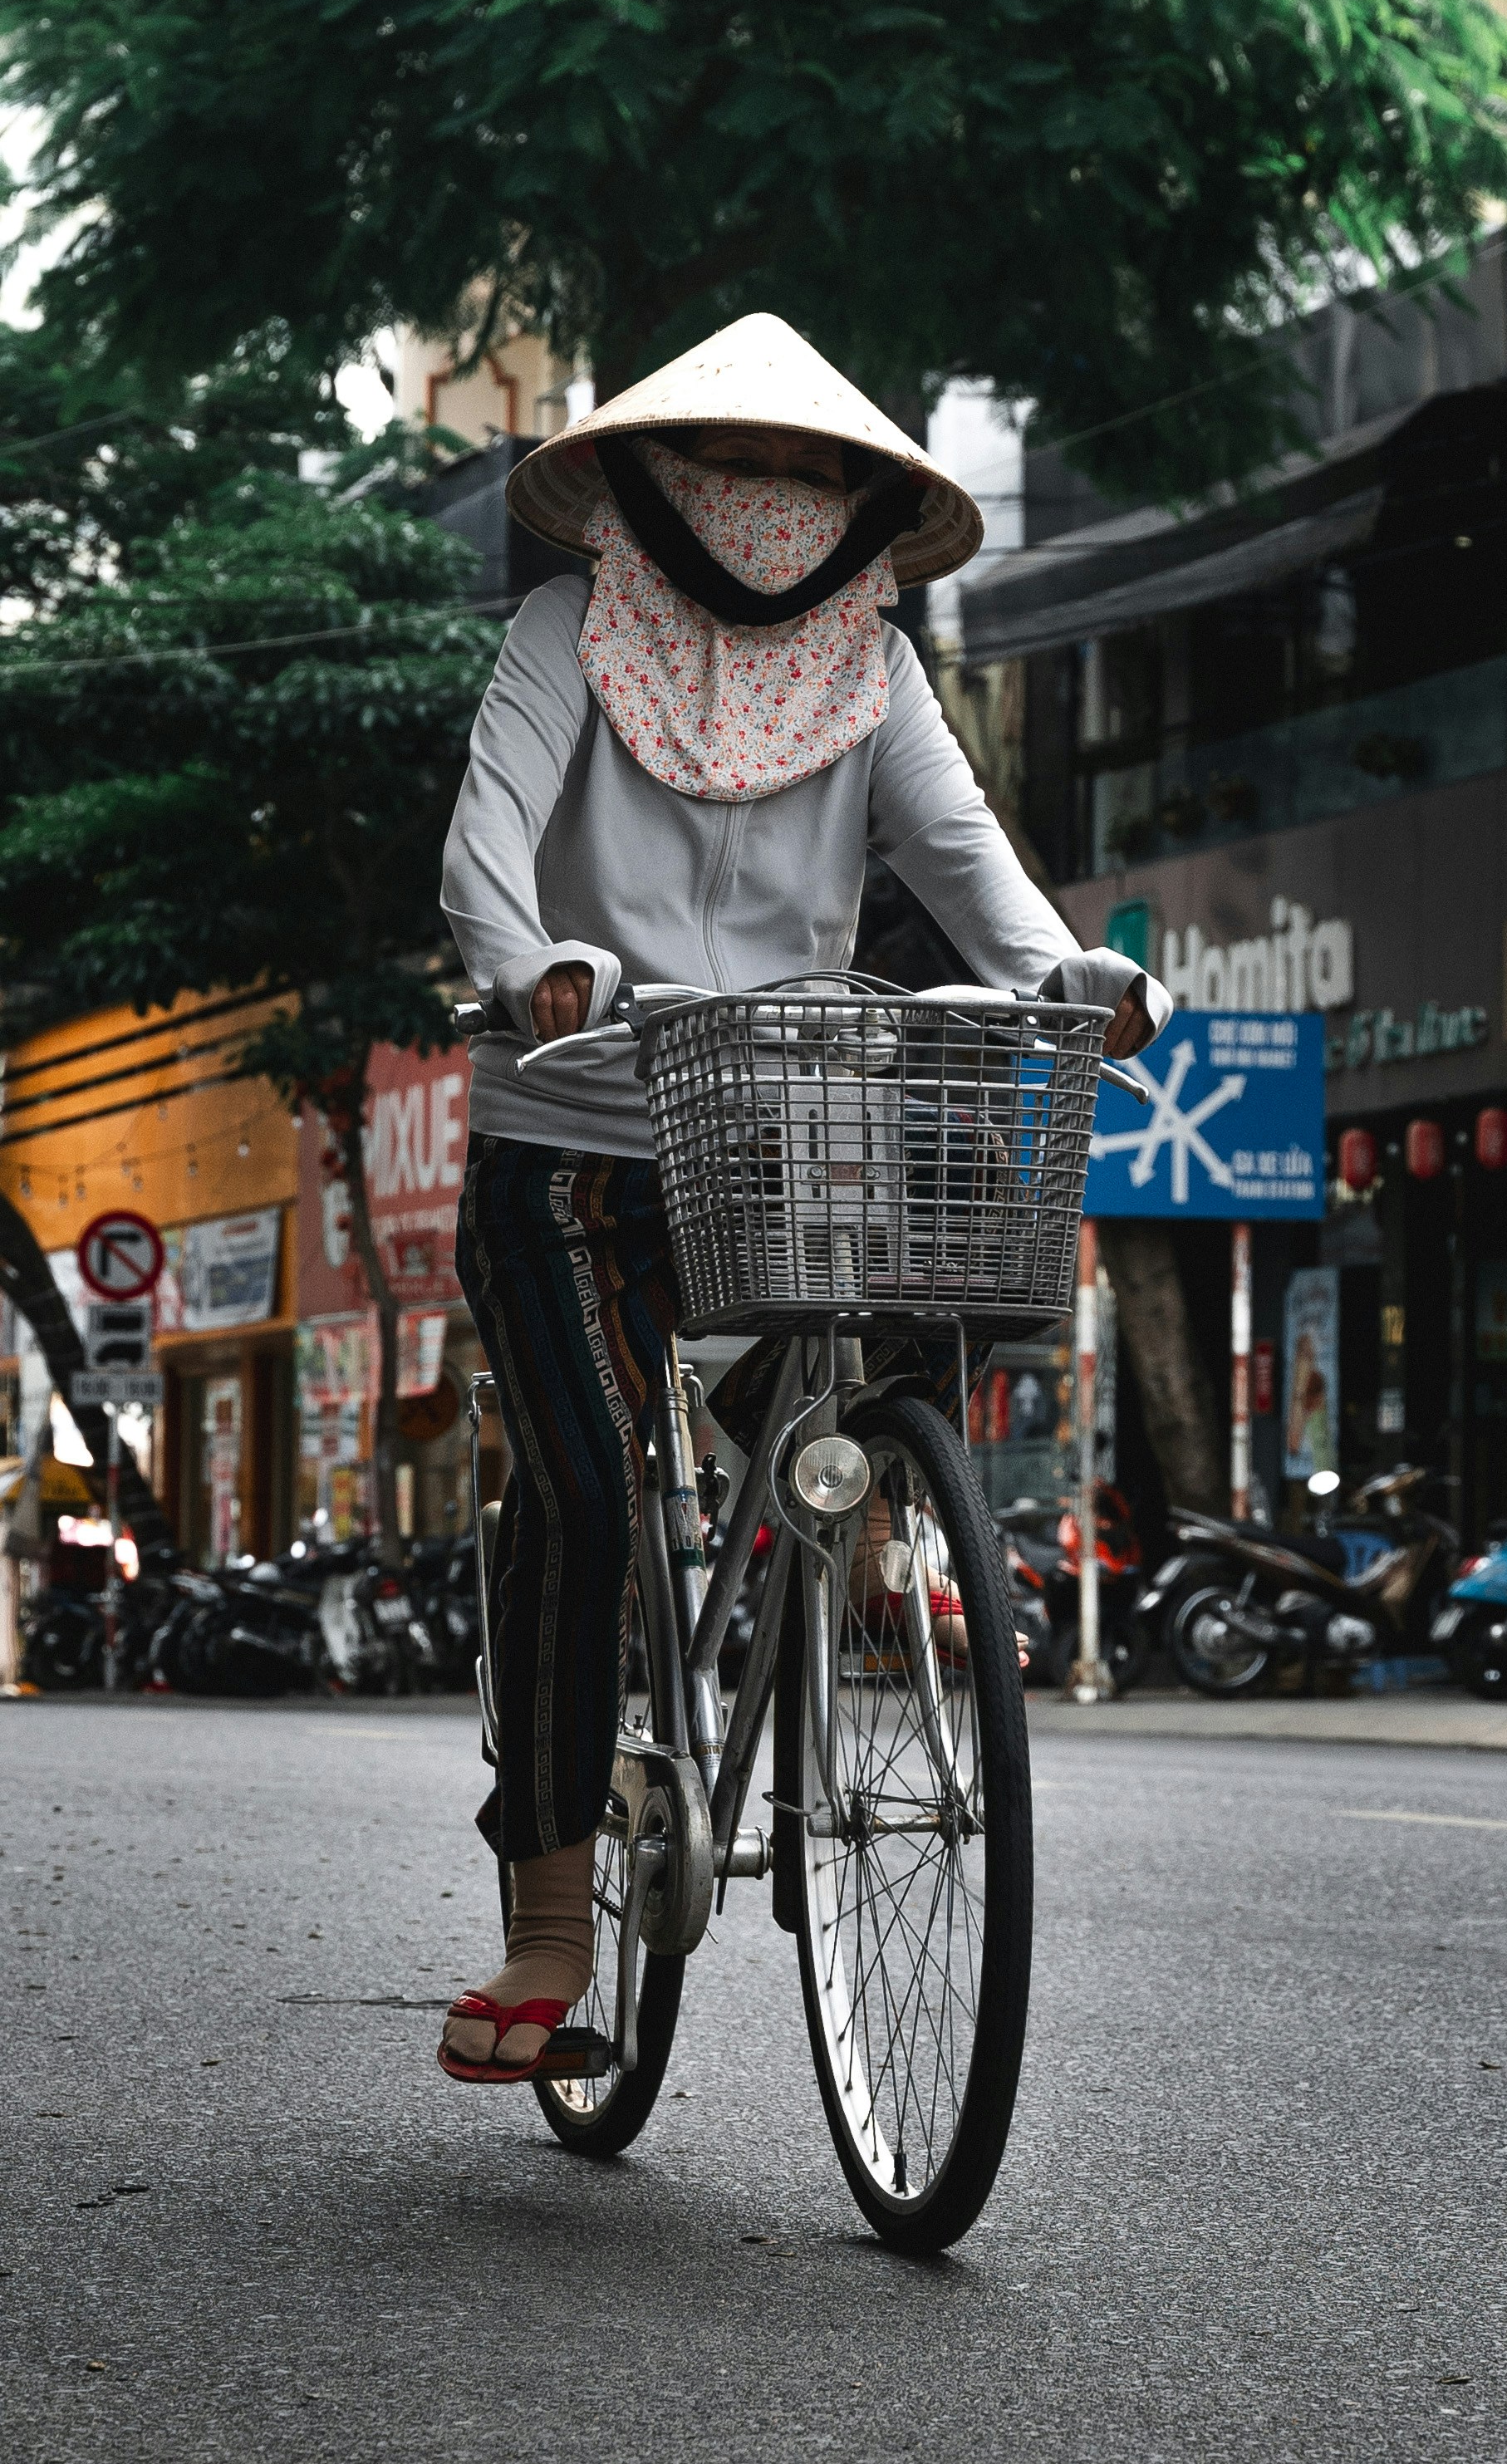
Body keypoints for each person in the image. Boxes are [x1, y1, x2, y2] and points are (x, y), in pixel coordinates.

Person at [436, 312, 1169, 2083]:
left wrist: (1071, 973)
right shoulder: (566, 629)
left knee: (911, 1293)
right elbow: (481, 843)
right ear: (651, 484)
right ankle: (548, 1929)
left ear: (854, 499)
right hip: (566, 1134)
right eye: (732, 467)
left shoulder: (877, 670)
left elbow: (968, 863)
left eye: (802, 471)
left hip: (770, 1127)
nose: (765, 499)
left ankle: (839, 1504)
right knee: (589, 1494)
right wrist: (528, 964)